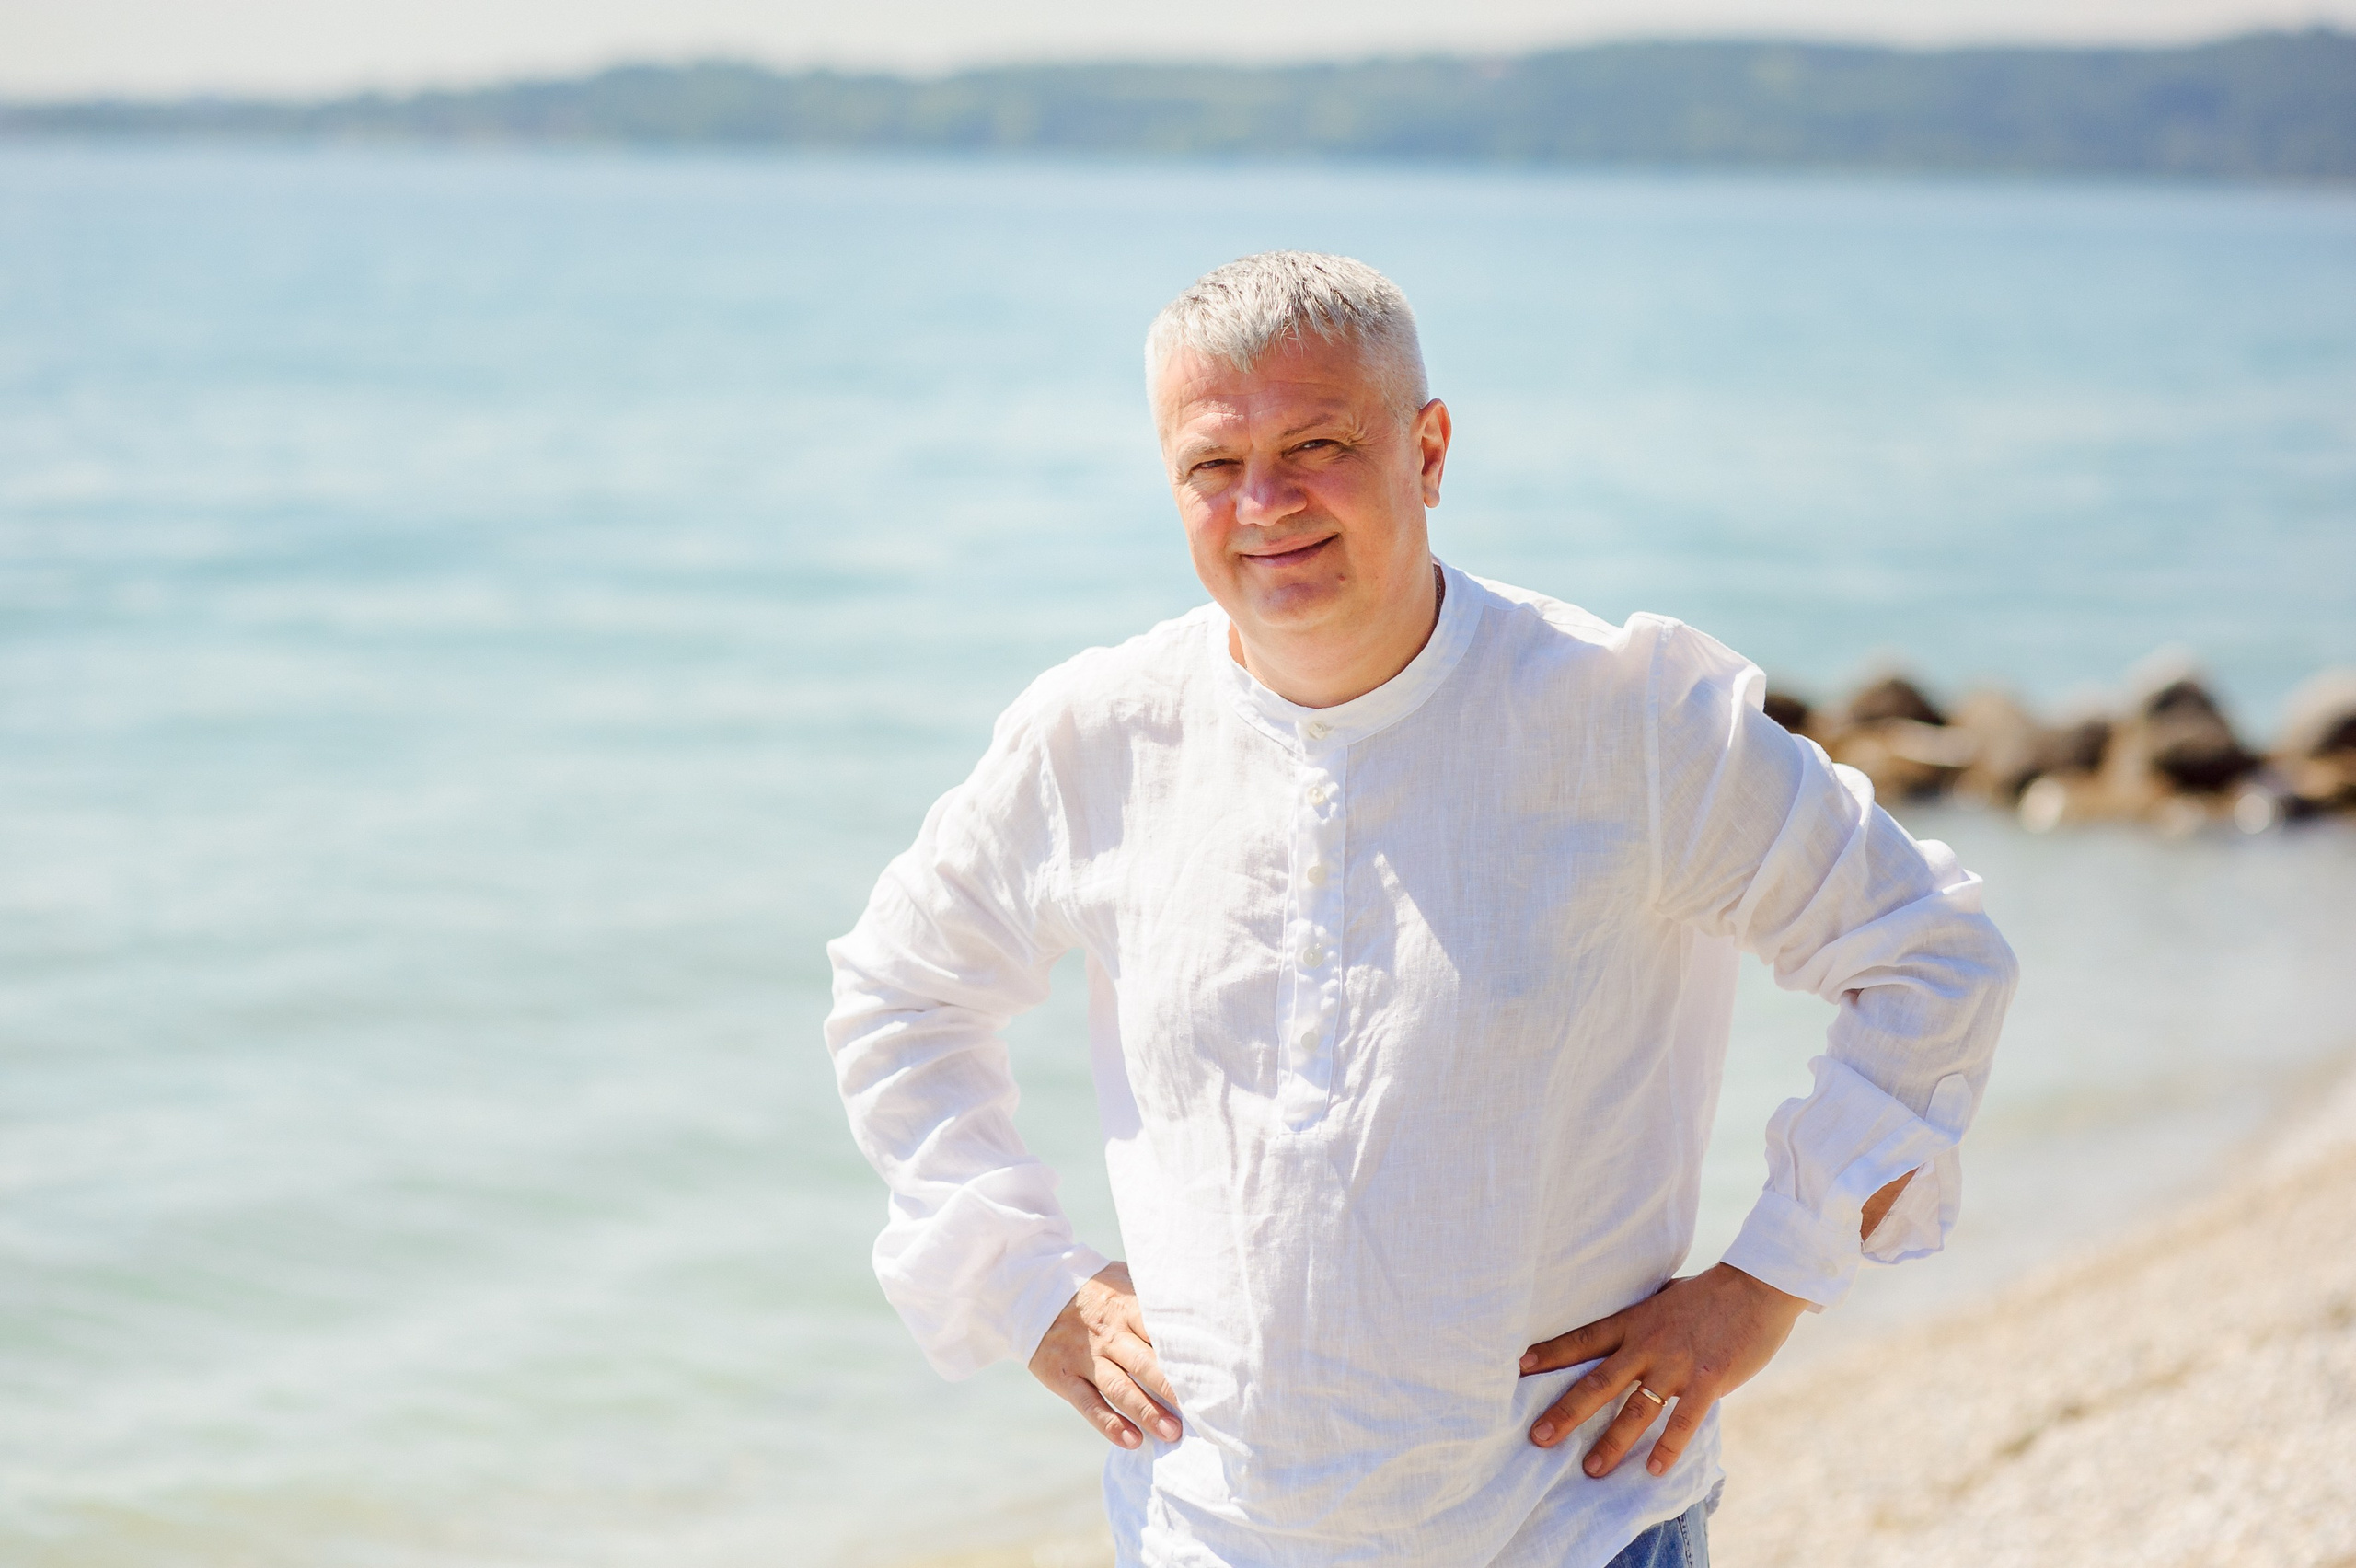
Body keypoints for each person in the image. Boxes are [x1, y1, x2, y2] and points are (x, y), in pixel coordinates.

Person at [824, 251, 2016, 1568]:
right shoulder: (1098, 737)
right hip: (1203, 1537)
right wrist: (1029, 1284)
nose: (1265, 503)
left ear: (1429, 447)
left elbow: (1931, 955)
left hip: (1568, 1527)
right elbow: (900, 993)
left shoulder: (1627, 721)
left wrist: (1772, 1279)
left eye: (1317, 445)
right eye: (1214, 465)